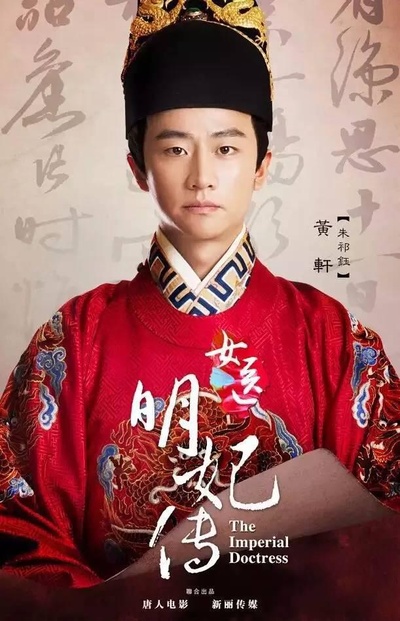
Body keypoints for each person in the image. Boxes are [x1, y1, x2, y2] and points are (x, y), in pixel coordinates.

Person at [0, 0, 399, 619]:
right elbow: (18, 528)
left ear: (263, 164)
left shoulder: (335, 340)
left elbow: (386, 526)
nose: (202, 177)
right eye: (175, 149)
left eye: (227, 147)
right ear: (138, 166)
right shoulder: (72, 341)